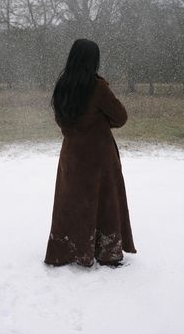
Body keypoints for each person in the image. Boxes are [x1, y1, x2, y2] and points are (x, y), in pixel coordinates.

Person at [44, 38, 137, 267]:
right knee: (105, 202)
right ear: (93, 61)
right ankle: (106, 252)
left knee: (72, 202)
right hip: (99, 158)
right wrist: (102, 121)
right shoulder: (97, 87)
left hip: (72, 156)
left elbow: (61, 119)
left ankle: (68, 249)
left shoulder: (62, 85)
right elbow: (121, 117)